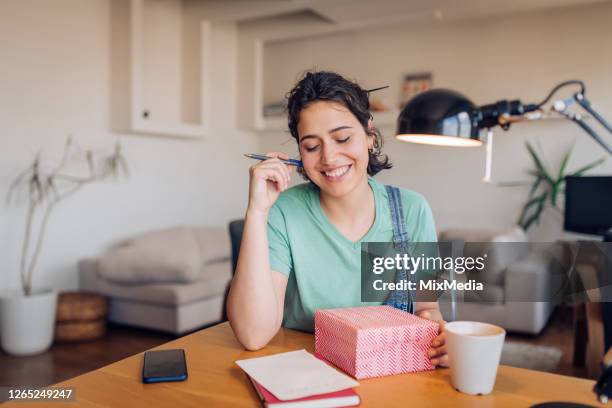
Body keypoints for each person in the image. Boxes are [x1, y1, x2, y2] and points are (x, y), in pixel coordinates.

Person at [227, 71, 447, 366]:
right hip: (304, 372)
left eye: (342, 138)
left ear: (370, 134)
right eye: (312, 146)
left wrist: (439, 336)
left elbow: (427, 309)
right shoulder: (283, 211)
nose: (329, 158)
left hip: (386, 373)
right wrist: (256, 211)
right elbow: (252, 335)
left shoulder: (413, 210)